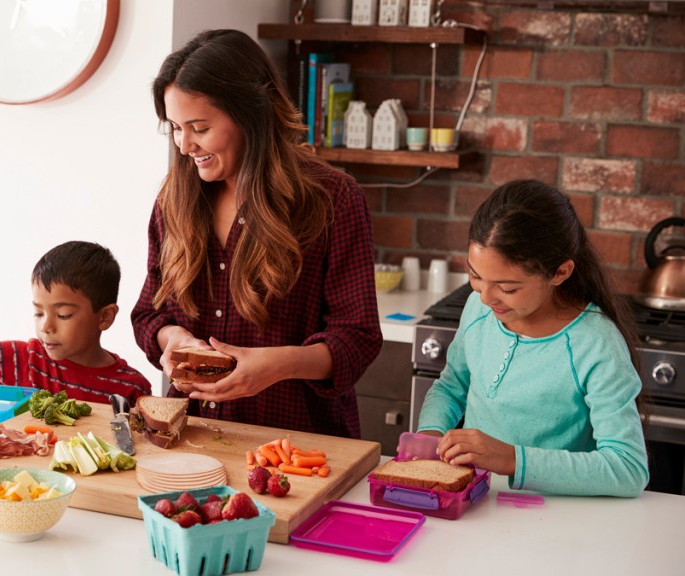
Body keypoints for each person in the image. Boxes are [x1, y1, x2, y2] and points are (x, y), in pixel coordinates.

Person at [131, 29, 382, 438]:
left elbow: (357, 338)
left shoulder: (332, 199)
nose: (184, 145)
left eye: (199, 127)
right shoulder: (173, 201)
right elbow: (148, 313)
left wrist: (276, 366)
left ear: (251, 113)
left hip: (298, 446)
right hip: (191, 439)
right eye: (174, 127)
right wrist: (171, 338)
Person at [417, 180, 649, 497]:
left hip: (554, 520)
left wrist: (513, 460)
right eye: (475, 276)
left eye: (508, 288)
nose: (485, 297)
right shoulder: (479, 309)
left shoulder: (595, 344)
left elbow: (628, 468)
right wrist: (430, 434)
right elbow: (453, 384)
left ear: (559, 273)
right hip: (477, 503)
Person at [0, 241, 153, 405]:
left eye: (63, 315)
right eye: (38, 313)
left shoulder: (132, 389)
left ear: (104, 317)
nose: (46, 327)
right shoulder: (24, 358)